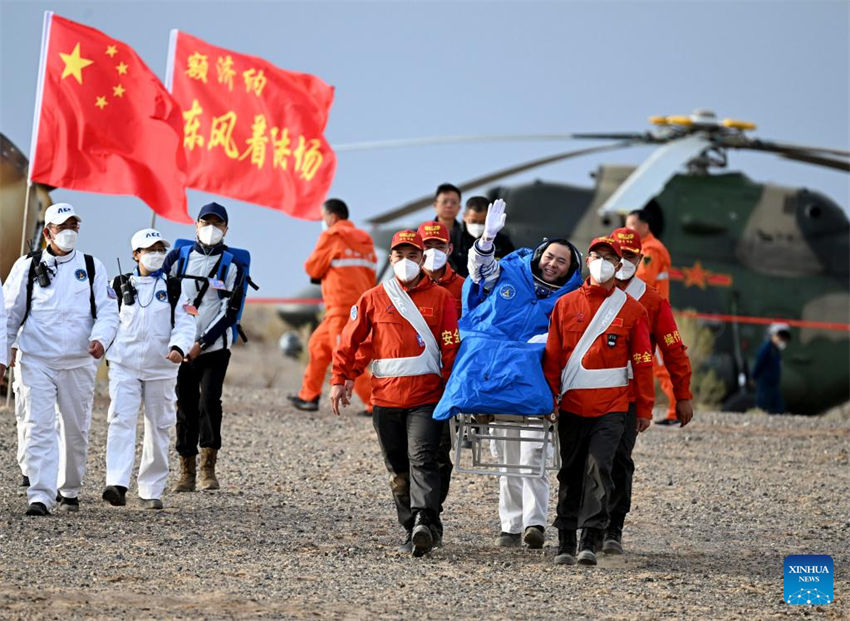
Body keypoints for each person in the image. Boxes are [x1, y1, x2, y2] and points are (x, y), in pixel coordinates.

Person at [434, 199, 583, 550]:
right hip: (496, 382)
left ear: (569, 270)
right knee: (507, 456)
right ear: (540, 255)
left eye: (561, 262)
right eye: (550, 257)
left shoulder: (569, 299)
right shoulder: (511, 270)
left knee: (534, 456)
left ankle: (535, 524)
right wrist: (486, 240)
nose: (553, 265)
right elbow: (479, 272)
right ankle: (510, 525)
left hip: (531, 387)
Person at [330, 230, 459, 557]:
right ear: (391, 259)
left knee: (423, 459)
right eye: (399, 256)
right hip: (385, 400)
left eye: (412, 255)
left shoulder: (442, 298)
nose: (406, 262)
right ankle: (412, 527)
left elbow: (450, 346)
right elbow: (351, 341)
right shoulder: (373, 298)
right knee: (397, 468)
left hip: (427, 398)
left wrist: (452, 391)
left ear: (422, 259)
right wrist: (341, 377)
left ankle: (424, 522)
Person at [543, 236, 654, 566]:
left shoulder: (633, 310)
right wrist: (550, 399)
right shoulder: (564, 305)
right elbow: (552, 358)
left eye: (609, 258)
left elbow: (644, 361)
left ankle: (589, 538)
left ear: (619, 266)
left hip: (613, 408)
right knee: (571, 471)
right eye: (597, 256)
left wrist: (645, 407)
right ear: (587, 260)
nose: (602, 262)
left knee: (600, 468)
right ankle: (565, 539)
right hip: (573, 407)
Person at [3, 203, 119, 515]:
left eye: (73, 226)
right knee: (39, 426)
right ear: (47, 232)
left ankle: (69, 489)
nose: (68, 232)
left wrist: (101, 338)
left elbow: (108, 311)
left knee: (74, 429)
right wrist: (3, 356)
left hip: (78, 363)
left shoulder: (93, 267)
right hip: (37, 360)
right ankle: (40, 496)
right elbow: (9, 316)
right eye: (62, 226)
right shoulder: (26, 268)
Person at [605, 227, 694, 554]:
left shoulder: (653, 300)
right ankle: (583, 528)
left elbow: (673, 349)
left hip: (629, 395)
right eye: (619, 255)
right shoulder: (588, 292)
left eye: (631, 256)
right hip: (584, 393)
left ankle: (613, 528)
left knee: (618, 460)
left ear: (640, 258)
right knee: (582, 461)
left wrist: (682, 395)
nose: (624, 261)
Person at [102, 229, 196, 509]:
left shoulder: (176, 287)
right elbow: (108, 320)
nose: (156, 254)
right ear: (136, 254)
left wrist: (179, 347)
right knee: (121, 421)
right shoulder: (117, 285)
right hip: (124, 366)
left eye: (159, 249)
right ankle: (116, 484)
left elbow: (186, 322)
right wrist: (105, 349)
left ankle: (151, 490)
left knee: (159, 426)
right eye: (149, 249)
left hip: (162, 368)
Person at [162, 202, 245, 493]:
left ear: (226, 229)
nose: (211, 228)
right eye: (205, 222)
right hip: (180, 346)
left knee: (209, 401)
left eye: (217, 223)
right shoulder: (177, 258)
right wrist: (178, 342)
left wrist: (202, 342)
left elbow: (229, 313)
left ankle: (208, 468)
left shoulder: (231, 265)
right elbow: (161, 295)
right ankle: (186, 470)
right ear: (195, 225)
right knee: (184, 404)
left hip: (214, 347)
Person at [288, 199, 376, 413]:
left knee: (346, 357)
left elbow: (312, 267)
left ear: (332, 216)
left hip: (341, 307)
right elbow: (371, 274)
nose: (323, 221)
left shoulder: (332, 235)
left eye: (323, 217)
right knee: (318, 346)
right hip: (355, 307)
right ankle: (308, 396)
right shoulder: (365, 240)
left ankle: (375, 403)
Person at [625, 209, 678, 425]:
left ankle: (675, 410)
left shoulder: (650, 252)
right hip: (648, 315)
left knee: (659, 365)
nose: (628, 230)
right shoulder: (647, 250)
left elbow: (642, 281)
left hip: (651, 317)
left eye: (632, 225)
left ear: (645, 226)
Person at [451, 196, 516, 277]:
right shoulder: (452, 238)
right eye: (473, 221)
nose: (477, 225)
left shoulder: (502, 241)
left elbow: (510, 267)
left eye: (482, 222)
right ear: (464, 216)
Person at [752, 323, 790, 414]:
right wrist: (754, 377)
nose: (782, 340)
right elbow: (759, 363)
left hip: (773, 384)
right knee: (762, 407)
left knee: (778, 408)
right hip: (765, 383)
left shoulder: (775, 350)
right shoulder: (766, 348)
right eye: (781, 336)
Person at [431, 183, 466, 273]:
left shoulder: (468, 234)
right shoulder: (420, 235)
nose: (449, 205)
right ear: (435, 205)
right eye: (445, 202)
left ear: (459, 208)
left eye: (454, 202)